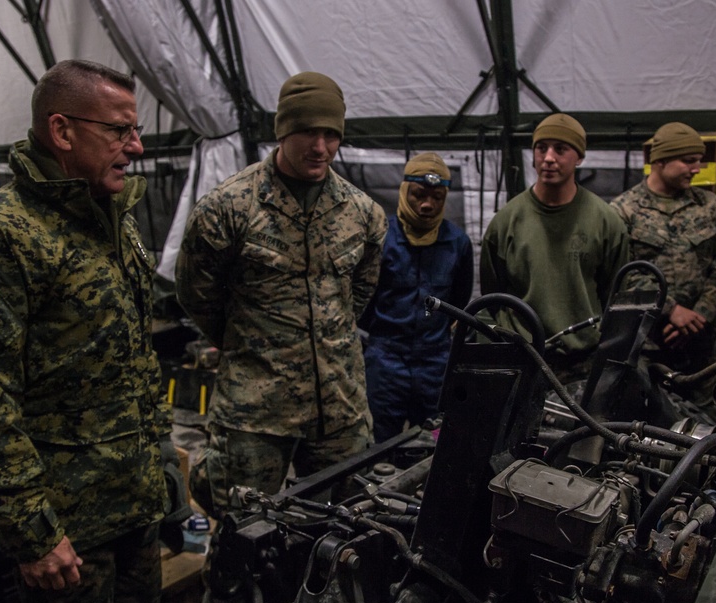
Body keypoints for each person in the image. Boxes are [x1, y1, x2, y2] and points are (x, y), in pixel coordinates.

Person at [0, 60, 169, 603]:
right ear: (61, 131)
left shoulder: (112, 219)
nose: (135, 147)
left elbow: (135, 362)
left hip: (135, 505)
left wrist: (164, 473)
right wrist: (36, 534)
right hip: (70, 533)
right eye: (119, 131)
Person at [175, 71, 387, 511]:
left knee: (342, 530)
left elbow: (358, 297)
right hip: (256, 410)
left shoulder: (363, 213)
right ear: (283, 130)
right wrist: (254, 346)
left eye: (331, 134)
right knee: (244, 534)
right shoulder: (228, 208)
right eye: (309, 131)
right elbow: (198, 296)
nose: (321, 146)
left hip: (339, 407)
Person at [480, 113, 629, 380]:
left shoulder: (605, 222)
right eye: (541, 148)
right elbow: (494, 294)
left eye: (560, 149)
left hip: (583, 363)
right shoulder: (505, 222)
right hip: (523, 359)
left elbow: (615, 295)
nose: (549, 158)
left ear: (579, 157)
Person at [358, 152, 473, 443]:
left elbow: (459, 300)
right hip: (385, 361)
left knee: (434, 443)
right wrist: (382, 334)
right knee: (380, 445)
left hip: (435, 363)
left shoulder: (457, 243)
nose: (427, 204)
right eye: (419, 195)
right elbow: (361, 298)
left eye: (436, 197)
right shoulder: (381, 237)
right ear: (404, 191)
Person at [610, 122, 716, 379]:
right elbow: (623, 273)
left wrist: (698, 317)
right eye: (689, 161)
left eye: (698, 161)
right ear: (661, 160)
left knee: (710, 415)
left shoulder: (712, 208)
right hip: (644, 348)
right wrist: (670, 309)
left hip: (700, 347)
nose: (696, 169)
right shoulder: (623, 211)